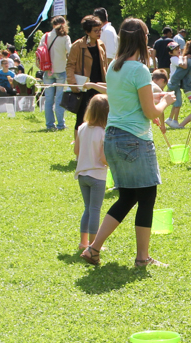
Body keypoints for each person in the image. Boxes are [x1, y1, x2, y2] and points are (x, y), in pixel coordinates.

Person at [81, 19, 176, 268]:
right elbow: (150, 111)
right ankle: (142, 258)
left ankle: (93, 249)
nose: (147, 39)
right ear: (140, 38)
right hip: (134, 140)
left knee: (128, 197)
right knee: (146, 196)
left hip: (113, 137)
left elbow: (127, 97)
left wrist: (157, 97)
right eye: (145, 35)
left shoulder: (114, 66)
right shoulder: (140, 69)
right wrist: (167, 100)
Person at [74, 94, 109, 251]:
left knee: (87, 208)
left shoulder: (82, 128)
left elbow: (76, 150)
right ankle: (94, 245)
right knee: (95, 209)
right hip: (97, 176)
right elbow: (103, 158)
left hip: (82, 174)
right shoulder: (104, 132)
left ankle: (83, 242)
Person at [66, 15, 109, 131]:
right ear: (87, 31)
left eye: (100, 29)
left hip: (99, 85)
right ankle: (78, 144)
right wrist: (74, 85)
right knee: (81, 118)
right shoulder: (77, 46)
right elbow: (70, 66)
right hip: (84, 86)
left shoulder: (101, 45)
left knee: (101, 116)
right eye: (96, 30)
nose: (99, 32)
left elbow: (105, 65)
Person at [41, 15, 72, 131]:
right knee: (59, 99)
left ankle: (49, 124)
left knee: (48, 99)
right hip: (60, 70)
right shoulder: (65, 37)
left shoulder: (45, 36)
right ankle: (60, 124)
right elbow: (70, 51)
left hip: (47, 70)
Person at [166, 41, 191, 129]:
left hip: (181, 84)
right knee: (179, 103)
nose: (178, 50)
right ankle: (177, 122)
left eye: (178, 48)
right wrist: (184, 58)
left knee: (177, 103)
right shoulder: (177, 59)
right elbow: (182, 69)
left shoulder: (181, 58)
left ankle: (170, 119)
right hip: (179, 85)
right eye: (175, 49)